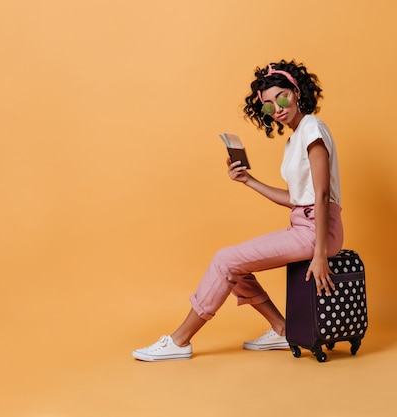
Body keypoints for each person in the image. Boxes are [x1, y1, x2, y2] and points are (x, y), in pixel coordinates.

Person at [133, 59, 344, 361]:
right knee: (235, 265)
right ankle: (282, 328)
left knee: (225, 260)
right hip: (304, 224)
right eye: (269, 105)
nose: (278, 108)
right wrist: (248, 181)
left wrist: (321, 254)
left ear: (296, 91)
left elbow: (322, 195)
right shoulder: (295, 138)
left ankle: (179, 341)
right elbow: (299, 199)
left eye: (282, 97)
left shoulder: (312, 128)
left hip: (318, 229)